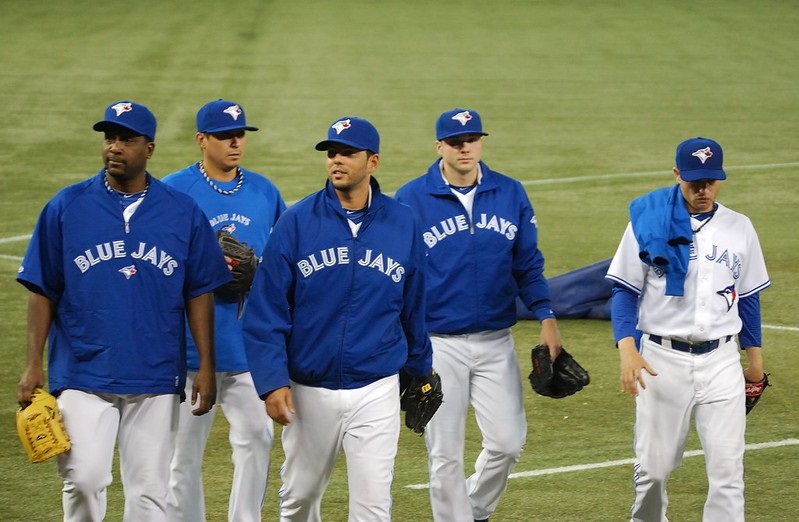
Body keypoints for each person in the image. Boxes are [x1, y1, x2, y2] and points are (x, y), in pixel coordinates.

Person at [15, 100, 231, 522]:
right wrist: (32, 365)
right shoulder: (66, 206)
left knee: (150, 494)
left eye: (126, 139)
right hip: (82, 369)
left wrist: (205, 364)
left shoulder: (181, 212)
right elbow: (42, 288)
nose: (115, 147)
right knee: (83, 479)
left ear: (148, 148)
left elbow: (199, 292)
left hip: (155, 372)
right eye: (109, 138)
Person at [242, 116, 435, 521]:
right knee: (298, 500)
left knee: (373, 506)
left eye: (348, 152)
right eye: (332, 152)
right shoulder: (297, 222)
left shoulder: (403, 223)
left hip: (376, 386)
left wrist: (420, 370)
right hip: (310, 388)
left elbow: (413, 304)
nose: (337, 160)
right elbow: (266, 309)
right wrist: (272, 381)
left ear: (373, 162)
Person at [394, 108, 565, 522]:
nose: (464, 147)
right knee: (445, 453)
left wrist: (546, 316)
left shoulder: (510, 193)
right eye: (455, 141)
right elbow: (399, 273)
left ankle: (473, 509)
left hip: (495, 341)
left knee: (508, 443)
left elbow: (528, 264)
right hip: (438, 345)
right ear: (439, 147)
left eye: (471, 139)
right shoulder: (410, 199)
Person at [605, 137, 770, 522]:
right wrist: (627, 349)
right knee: (654, 469)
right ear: (677, 174)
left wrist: (755, 362)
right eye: (695, 181)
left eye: (711, 181)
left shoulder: (740, 228)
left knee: (729, 471)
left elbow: (748, 298)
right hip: (661, 361)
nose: (703, 189)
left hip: (722, 362)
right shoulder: (646, 223)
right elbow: (624, 291)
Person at [162, 99, 286, 522]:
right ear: (201, 140)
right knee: (181, 458)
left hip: (248, 347)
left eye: (240, 135)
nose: (235, 143)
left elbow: (281, 262)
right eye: (223, 136)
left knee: (257, 439)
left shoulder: (265, 192)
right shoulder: (173, 190)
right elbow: (157, 262)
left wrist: (257, 270)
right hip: (189, 352)